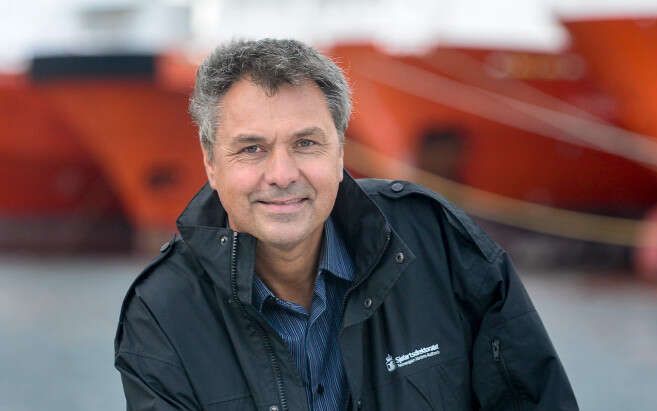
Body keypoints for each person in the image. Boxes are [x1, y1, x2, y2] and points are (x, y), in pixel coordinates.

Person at [114, 38, 578, 411]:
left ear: (340, 152)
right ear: (211, 163)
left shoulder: (437, 241)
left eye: (306, 143)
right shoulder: (163, 309)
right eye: (252, 148)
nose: (282, 174)